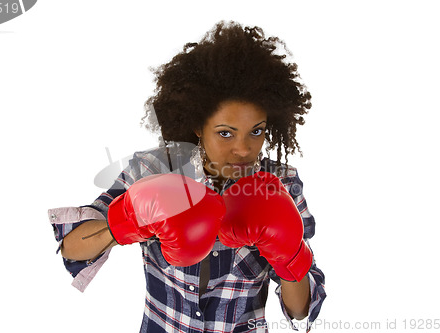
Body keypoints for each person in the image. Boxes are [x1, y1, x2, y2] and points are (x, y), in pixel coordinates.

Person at [49, 21, 326, 332]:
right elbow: (72, 249)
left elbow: (301, 310)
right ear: (197, 126)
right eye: (225, 133)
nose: (243, 149)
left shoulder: (281, 183)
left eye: (257, 131)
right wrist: (129, 220)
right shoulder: (154, 169)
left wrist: (290, 255)